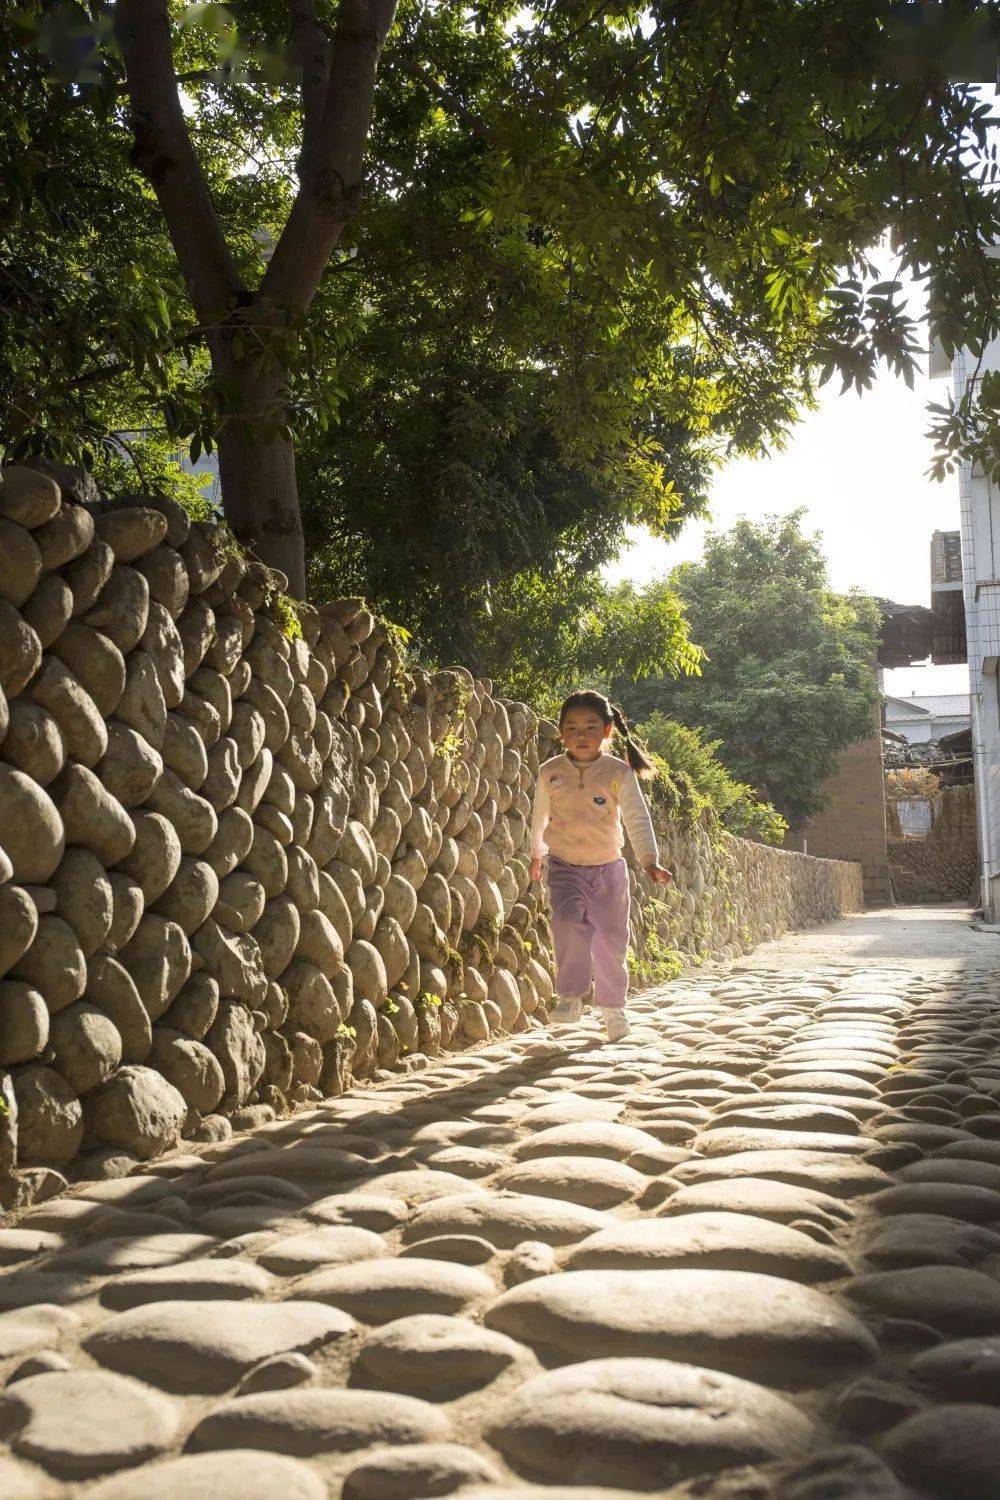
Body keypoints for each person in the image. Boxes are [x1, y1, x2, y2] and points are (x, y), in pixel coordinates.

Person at [529, 690, 672, 1042]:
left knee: (610, 939)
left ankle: (613, 1009)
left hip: (608, 869)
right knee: (566, 923)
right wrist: (536, 853)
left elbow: (637, 818)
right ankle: (570, 997)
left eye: (591, 727)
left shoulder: (618, 773)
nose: (581, 735)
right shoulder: (550, 772)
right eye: (572, 727)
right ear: (561, 732)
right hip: (563, 867)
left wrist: (649, 860)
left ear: (607, 732)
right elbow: (538, 817)